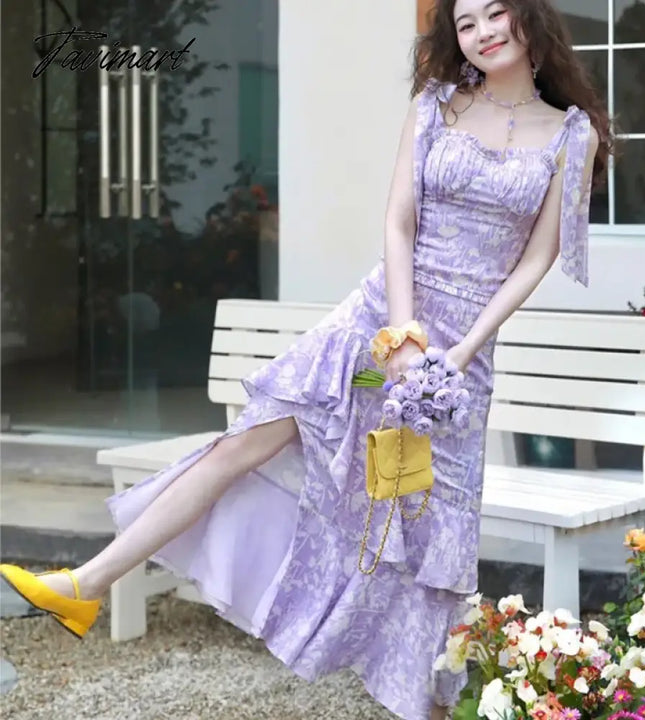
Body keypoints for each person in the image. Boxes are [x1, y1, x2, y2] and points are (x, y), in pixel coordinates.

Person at [1, 1, 612, 718]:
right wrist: (403, 334)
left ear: (529, 16)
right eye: (466, 23)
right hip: (370, 338)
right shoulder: (436, 104)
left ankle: (426, 703)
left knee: (424, 531)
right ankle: (85, 584)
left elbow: (536, 258)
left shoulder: (572, 135)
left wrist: (458, 353)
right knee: (248, 440)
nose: (482, 32)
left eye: (495, 12)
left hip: (455, 372)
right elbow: (399, 222)